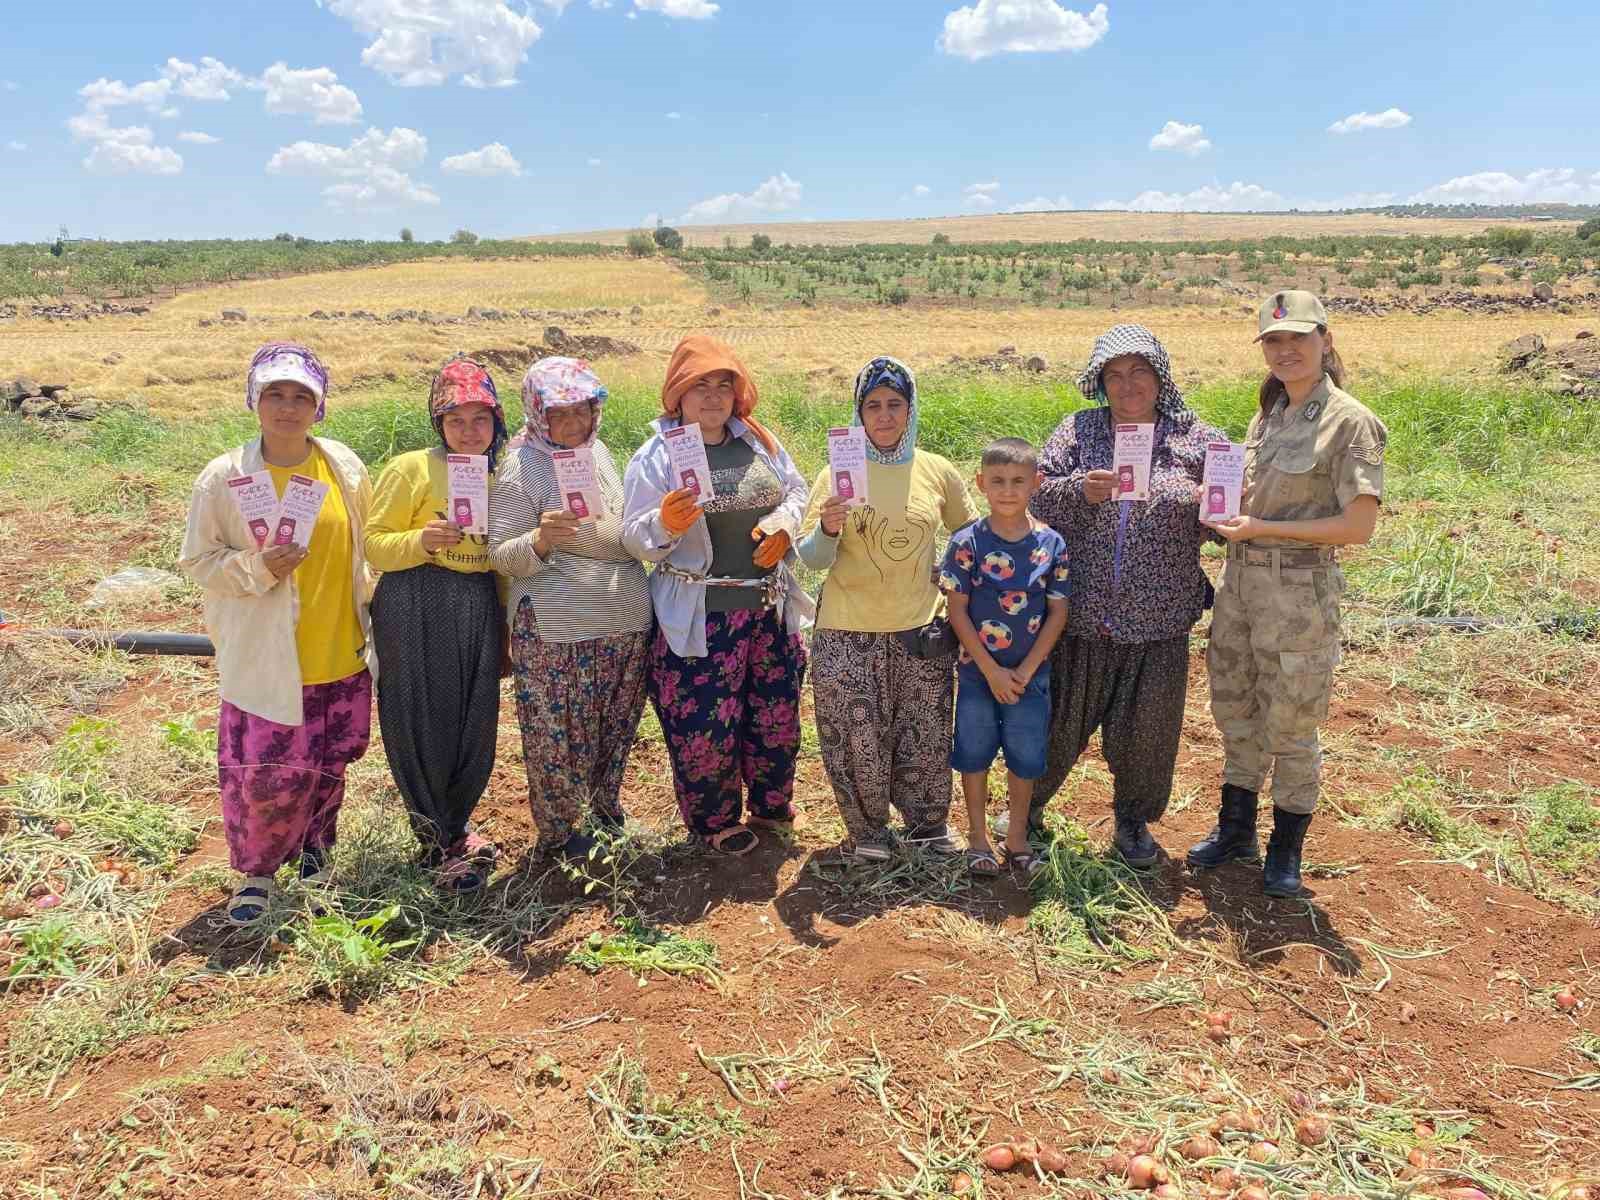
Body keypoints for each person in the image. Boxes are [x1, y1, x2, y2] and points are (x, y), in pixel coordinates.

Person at [1194, 290, 1386, 897]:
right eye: (1274, 341)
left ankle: (1285, 851)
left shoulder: (1349, 422)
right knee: (1236, 709)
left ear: (1325, 341)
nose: (1285, 351)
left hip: (1298, 595)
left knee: (1293, 724)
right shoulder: (1269, 414)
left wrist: (1260, 526)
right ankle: (1236, 830)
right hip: (1241, 587)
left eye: (1298, 338)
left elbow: (1357, 527)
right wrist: (1224, 506)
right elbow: (1261, 498)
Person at [179, 343, 374, 927]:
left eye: (300, 396)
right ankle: (257, 874)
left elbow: (365, 547)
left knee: (328, 764)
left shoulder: (342, 466)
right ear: (254, 401)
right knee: (263, 774)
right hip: (266, 655)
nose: (288, 408)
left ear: (319, 406)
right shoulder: (224, 477)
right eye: (275, 395)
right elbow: (199, 561)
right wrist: (258, 567)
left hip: (338, 649)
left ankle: (316, 856)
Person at [1026, 326, 1227, 867]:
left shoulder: (1197, 439)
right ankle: (1027, 808)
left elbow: (1227, 521)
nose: (1127, 384)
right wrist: (1079, 490)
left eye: (1139, 371)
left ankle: (1133, 823)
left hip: (1159, 618)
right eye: (1114, 375)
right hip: (1080, 611)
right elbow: (1033, 496)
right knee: (1057, 722)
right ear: (1099, 383)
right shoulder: (1078, 430)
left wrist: (1216, 508)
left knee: (1148, 733)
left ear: (1160, 377)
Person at [622, 335, 812, 857]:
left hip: (767, 607)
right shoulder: (657, 454)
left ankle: (771, 807)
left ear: (737, 392)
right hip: (702, 612)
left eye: (723, 385)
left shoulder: (757, 439)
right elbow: (634, 536)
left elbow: (796, 490)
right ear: (677, 394)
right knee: (705, 724)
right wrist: (664, 522)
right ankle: (715, 822)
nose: (712, 396)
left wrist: (783, 525)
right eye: (699, 385)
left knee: (775, 716)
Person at [796, 356, 977, 862]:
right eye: (872, 405)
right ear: (859, 413)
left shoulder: (936, 471)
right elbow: (811, 559)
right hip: (847, 630)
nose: (884, 415)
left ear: (910, 409)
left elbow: (970, 536)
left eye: (895, 404)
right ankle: (868, 833)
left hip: (920, 628)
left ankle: (927, 826)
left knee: (926, 733)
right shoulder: (837, 474)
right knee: (857, 737)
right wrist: (828, 528)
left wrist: (949, 573)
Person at [489, 357, 653, 859]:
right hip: (557, 629)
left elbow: (624, 530)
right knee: (556, 736)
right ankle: (561, 834)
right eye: (559, 413)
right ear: (537, 412)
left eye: (582, 409)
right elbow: (502, 554)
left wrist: (610, 539)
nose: (574, 422)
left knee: (614, 725)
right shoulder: (520, 466)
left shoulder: (598, 453)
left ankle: (605, 814)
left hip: (623, 618)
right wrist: (541, 540)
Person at [365, 355, 508, 893]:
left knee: (475, 718)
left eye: (480, 419)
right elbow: (374, 544)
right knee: (423, 717)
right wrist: (421, 541)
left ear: (496, 422)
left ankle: (457, 826)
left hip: (478, 601)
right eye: (456, 420)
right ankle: (433, 841)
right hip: (416, 600)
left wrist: (505, 625)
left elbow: (503, 560)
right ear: (438, 424)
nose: (469, 431)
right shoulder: (411, 469)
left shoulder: (502, 475)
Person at [939, 438, 1070, 878]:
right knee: (973, 752)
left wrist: (1024, 671)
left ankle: (1016, 838)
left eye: (1018, 481)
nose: (1008, 490)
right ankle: (977, 837)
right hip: (978, 674)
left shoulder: (1051, 544)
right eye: (997, 481)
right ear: (980, 483)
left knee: (1025, 755)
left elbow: (1058, 612)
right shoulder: (966, 543)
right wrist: (991, 670)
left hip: (1029, 676)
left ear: (1037, 482)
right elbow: (957, 610)